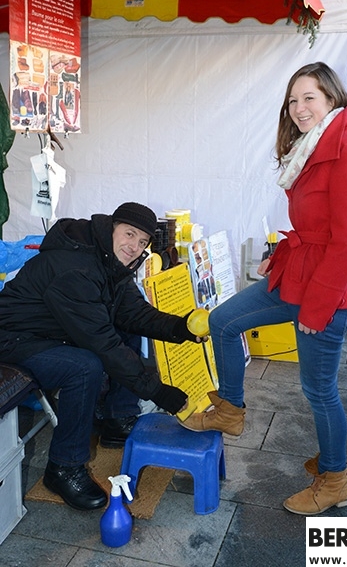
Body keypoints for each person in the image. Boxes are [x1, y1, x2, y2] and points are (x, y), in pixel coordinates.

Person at [182, 62, 347, 516]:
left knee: (319, 391)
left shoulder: (346, 149)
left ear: (332, 98)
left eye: (309, 98)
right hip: (297, 277)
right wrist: (280, 255)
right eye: (293, 100)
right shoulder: (311, 146)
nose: (299, 108)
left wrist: (317, 308)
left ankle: (335, 480)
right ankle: (230, 411)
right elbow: (312, 227)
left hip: (326, 294)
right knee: (223, 321)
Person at [0, 202, 205, 511]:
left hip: (51, 332)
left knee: (126, 328)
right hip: (14, 337)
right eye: (129, 234)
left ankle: (116, 419)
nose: (134, 247)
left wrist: (181, 328)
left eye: (142, 242)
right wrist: (159, 392)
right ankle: (63, 467)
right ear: (112, 227)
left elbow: (135, 314)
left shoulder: (108, 260)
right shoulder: (76, 269)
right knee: (84, 367)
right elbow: (102, 345)